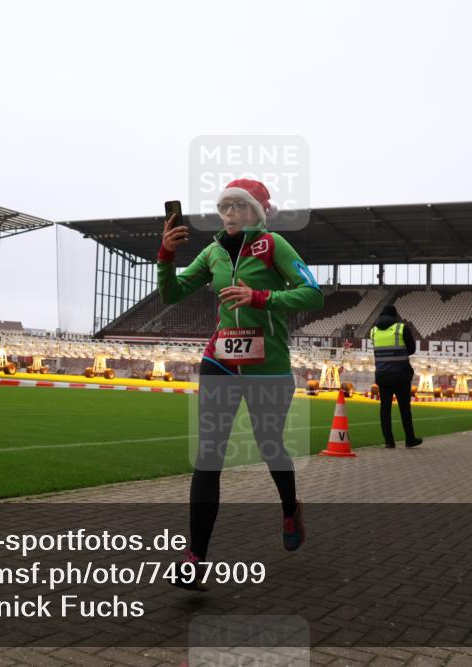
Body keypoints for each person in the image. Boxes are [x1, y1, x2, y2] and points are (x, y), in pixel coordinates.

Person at [157, 178, 324, 591]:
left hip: (268, 365)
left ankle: (290, 508)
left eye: (237, 205)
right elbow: (171, 294)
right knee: (208, 456)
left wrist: (260, 299)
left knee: (270, 446)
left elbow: (313, 294)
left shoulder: (273, 246)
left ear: (257, 211)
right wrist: (166, 254)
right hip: (221, 361)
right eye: (224, 206)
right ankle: (194, 558)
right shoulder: (213, 252)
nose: (229, 213)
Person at [370, 305, 423, 448]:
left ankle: (389, 441)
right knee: (405, 408)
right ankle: (409, 439)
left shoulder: (373, 331)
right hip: (401, 375)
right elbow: (411, 349)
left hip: (383, 376)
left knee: (385, 409)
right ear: (394, 316)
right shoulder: (401, 328)